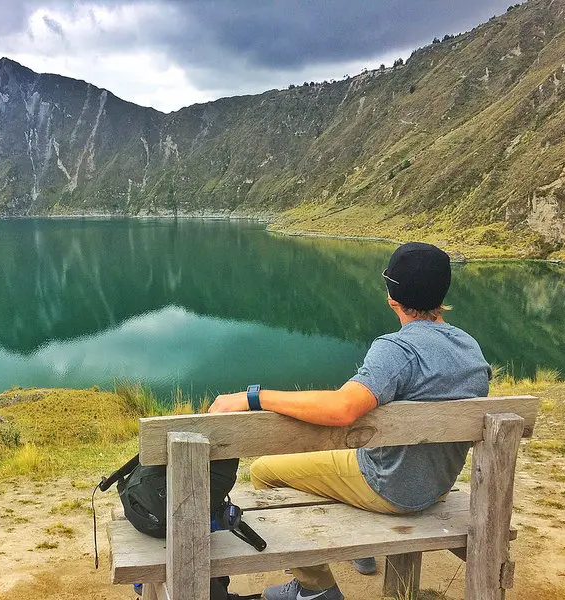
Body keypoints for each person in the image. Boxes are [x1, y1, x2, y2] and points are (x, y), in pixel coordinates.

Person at [208, 242, 492, 600]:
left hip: (389, 486)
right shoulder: (469, 348)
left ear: (392, 297)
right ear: (442, 294)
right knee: (321, 470)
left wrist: (254, 397)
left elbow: (342, 409)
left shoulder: (397, 350)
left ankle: (315, 588)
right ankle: (360, 549)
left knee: (265, 471)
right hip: (437, 484)